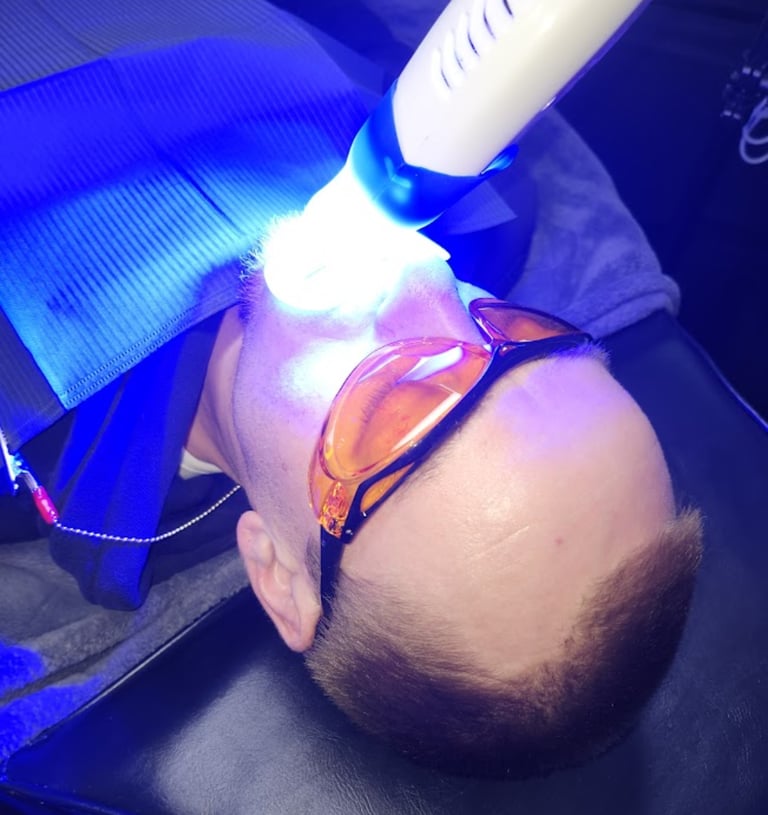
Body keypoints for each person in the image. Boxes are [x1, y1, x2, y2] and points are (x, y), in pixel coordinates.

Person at [0, 0, 701, 780]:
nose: (422, 278)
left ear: (280, 575)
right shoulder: (481, 206)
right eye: (520, 334)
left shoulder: (39, 440)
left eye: (392, 414)